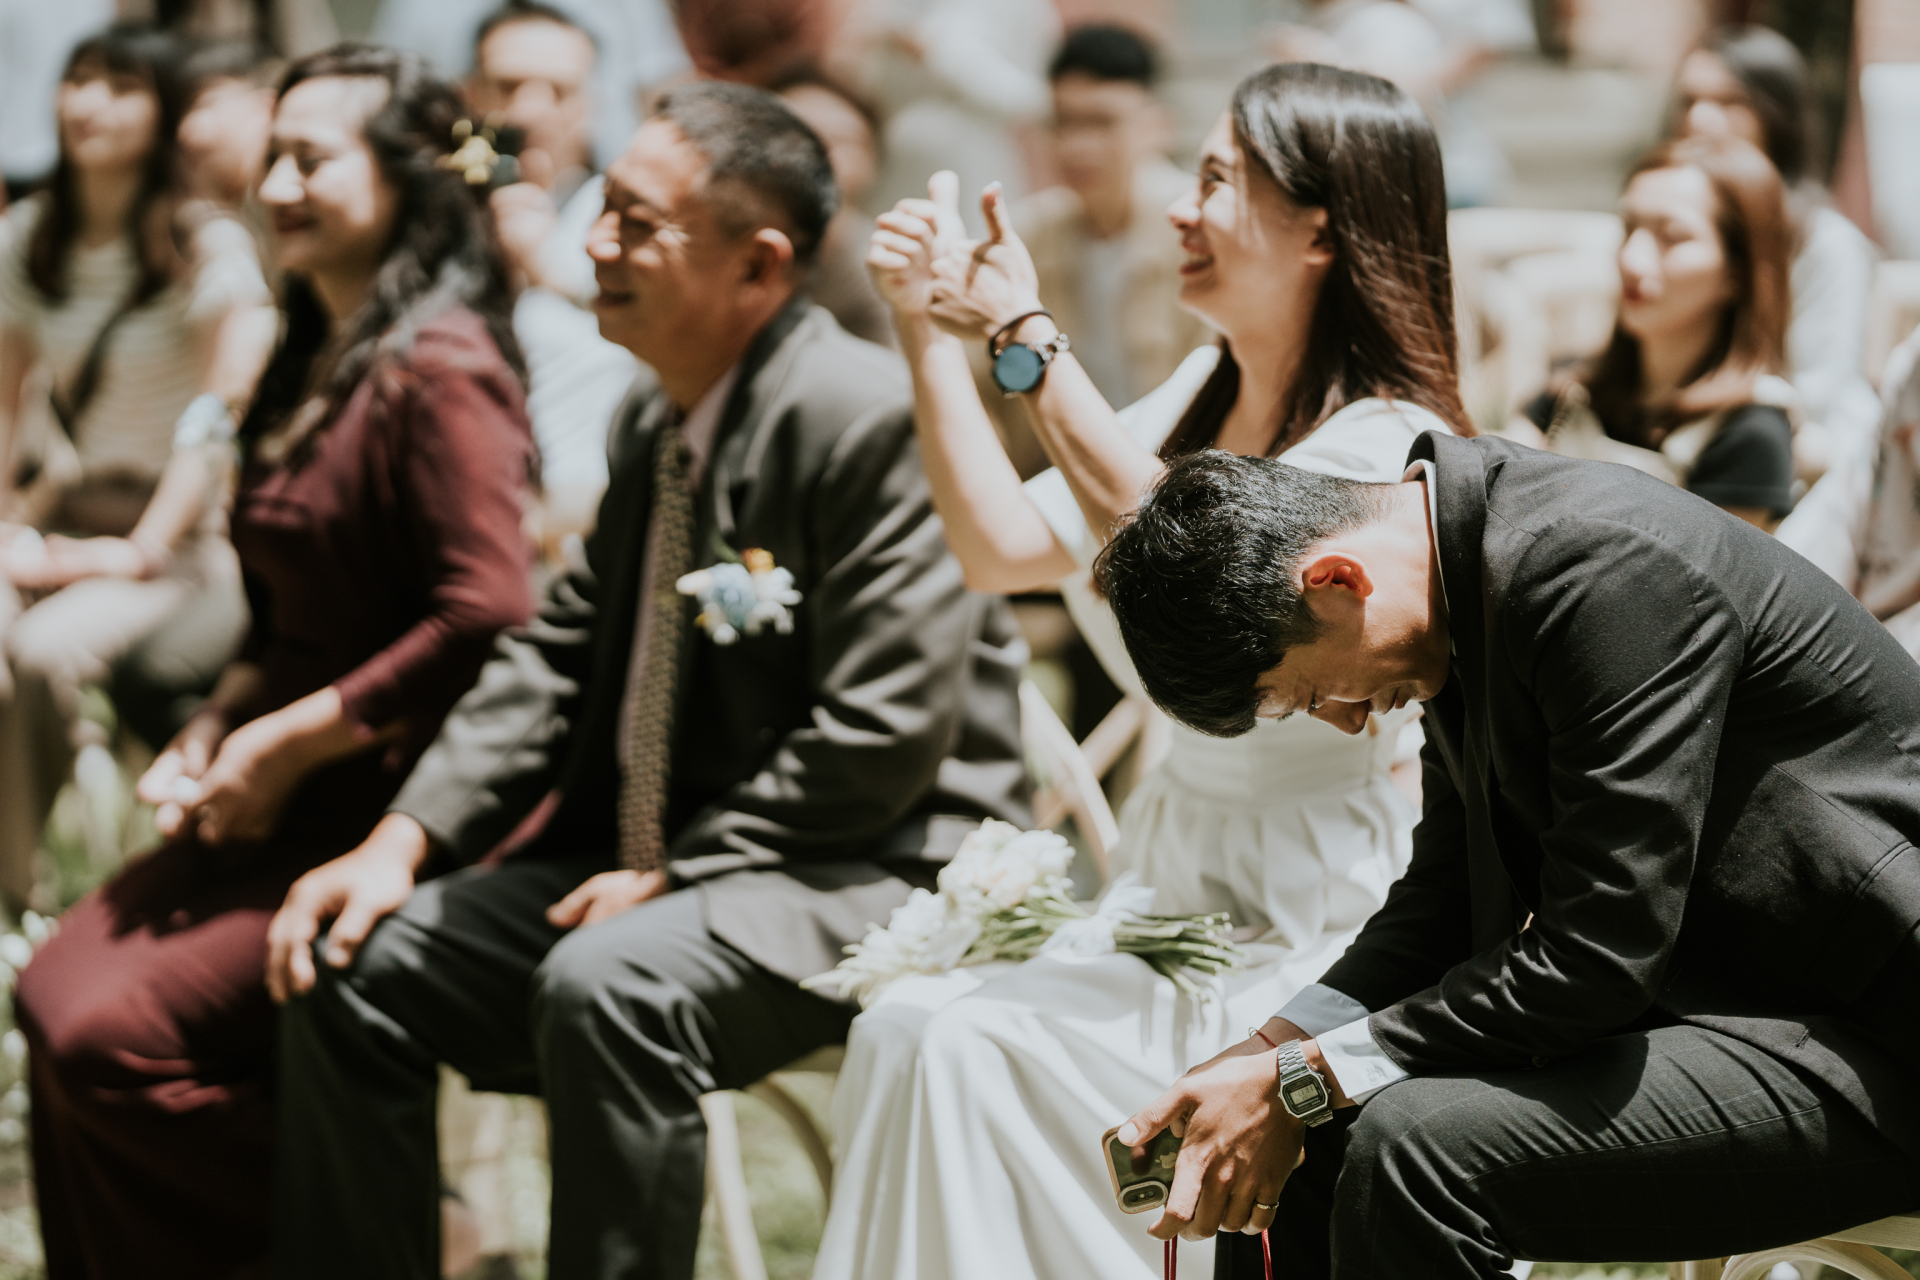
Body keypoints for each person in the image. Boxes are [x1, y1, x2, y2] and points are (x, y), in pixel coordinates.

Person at [262, 82, 1029, 1280]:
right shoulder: (654, 413)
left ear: (759, 265)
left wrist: (678, 871)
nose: (595, 245)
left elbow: (881, 733)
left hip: (869, 869)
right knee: (354, 961)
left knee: (609, 983)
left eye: (635, 221)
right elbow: (558, 648)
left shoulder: (866, 417)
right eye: (601, 211)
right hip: (664, 864)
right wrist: (400, 840)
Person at [815, 63, 1468, 1280]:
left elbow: (1200, 569)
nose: (1179, 205)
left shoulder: (1387, 442)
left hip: (1308, 918)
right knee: (903, 1025)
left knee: (962, 1045)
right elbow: (996, 546)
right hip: (1168, 883)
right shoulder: (1200, 393)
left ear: (1320, 228)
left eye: (1216, 180)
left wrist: (1025, 334)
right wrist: (924, 329)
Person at [1099, 430, 1920, 1279]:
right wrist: (1270, 1056)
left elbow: (1599, 955)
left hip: (1878, 1038)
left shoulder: (1598, 567)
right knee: (1294, 1128)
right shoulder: (1463, 594)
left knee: (1415, 1153)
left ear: (1337, 580)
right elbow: (1445, 901)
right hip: (1743, 1010)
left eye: (1310, 695)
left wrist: (1302, 1076)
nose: (1346, 721)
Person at [11, 44, 538, 1280]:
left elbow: (488, 612)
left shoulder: (444, 364)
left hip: (397, 810)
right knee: (51, 995)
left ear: (405, 177)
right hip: (280, 785)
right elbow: (285, 619)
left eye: (312, 159)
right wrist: (217, 724)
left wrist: (289, 741)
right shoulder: (315, 350)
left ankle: (413, 1237)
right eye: (275, 156)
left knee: (108, 1034)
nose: (277, 184)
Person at [0, 24, 275, 910]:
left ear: (163, 115)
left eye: (122, 87)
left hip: (179, 537)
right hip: (64, 513)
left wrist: (142, 547)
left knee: (42, 654)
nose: (90, 103)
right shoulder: (32, 235)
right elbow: (6, 397)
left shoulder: (207, 246)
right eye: (79, 79)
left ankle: (23, 897)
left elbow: (215, 417)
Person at [1512, 135, 1797, 531]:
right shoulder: (1570, 389)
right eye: (1629, 227)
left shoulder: (1749, 434)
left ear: (1737, 271)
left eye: (1672, 237)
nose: (1632, 259)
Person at [983, 23, 1212, 445]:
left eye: (1101, 123)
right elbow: (985, 389)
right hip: (1059, 466)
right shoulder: (1026, 235)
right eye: (1063, 123)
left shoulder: (1202, 230)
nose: (1077, 146)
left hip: (1184, 465)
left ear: (1156, 126)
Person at [468, 0, 643, 547]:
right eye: (508, 86)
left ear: (591, 106)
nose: (530, 111)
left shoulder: (632, 221)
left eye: (559, 91)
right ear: (469, 95)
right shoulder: (431, 222)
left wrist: (552, 272)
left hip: (588, 526)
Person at [1674, 24, 1880, 451]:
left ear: (1776, 115)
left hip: (1804, 453)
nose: (1698, 119)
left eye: (1728, 101)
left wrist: (1682, 404)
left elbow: (1818, 392)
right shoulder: (1676, 223)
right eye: (1689, 101)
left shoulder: (1828, 244)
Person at [852, 0, 1061, 235]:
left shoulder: (1025, 8)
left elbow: (1031, 99)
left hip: (973, 165)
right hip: (896, 163)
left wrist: (933, 53)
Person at [775, 66, 896, 348]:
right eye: (797, 135)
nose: (819, 152)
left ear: (873, 164)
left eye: (840, 140)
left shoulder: (881, 267)